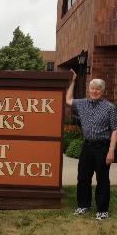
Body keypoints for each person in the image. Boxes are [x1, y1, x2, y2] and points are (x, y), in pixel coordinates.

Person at [66, 69, 117, 221]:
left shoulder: (110, 108)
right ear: (89, 90)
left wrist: (111, 151)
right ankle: (83, 205)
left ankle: (102, 210)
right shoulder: (82, 104)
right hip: (87, 146)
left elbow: (115, 130)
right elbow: (68, 100)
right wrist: (73, 81)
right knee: (83, 177)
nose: (95, 91)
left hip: (102, 147)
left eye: (98, 89)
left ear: (102, 91)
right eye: (92, 88)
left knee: (102, 179)